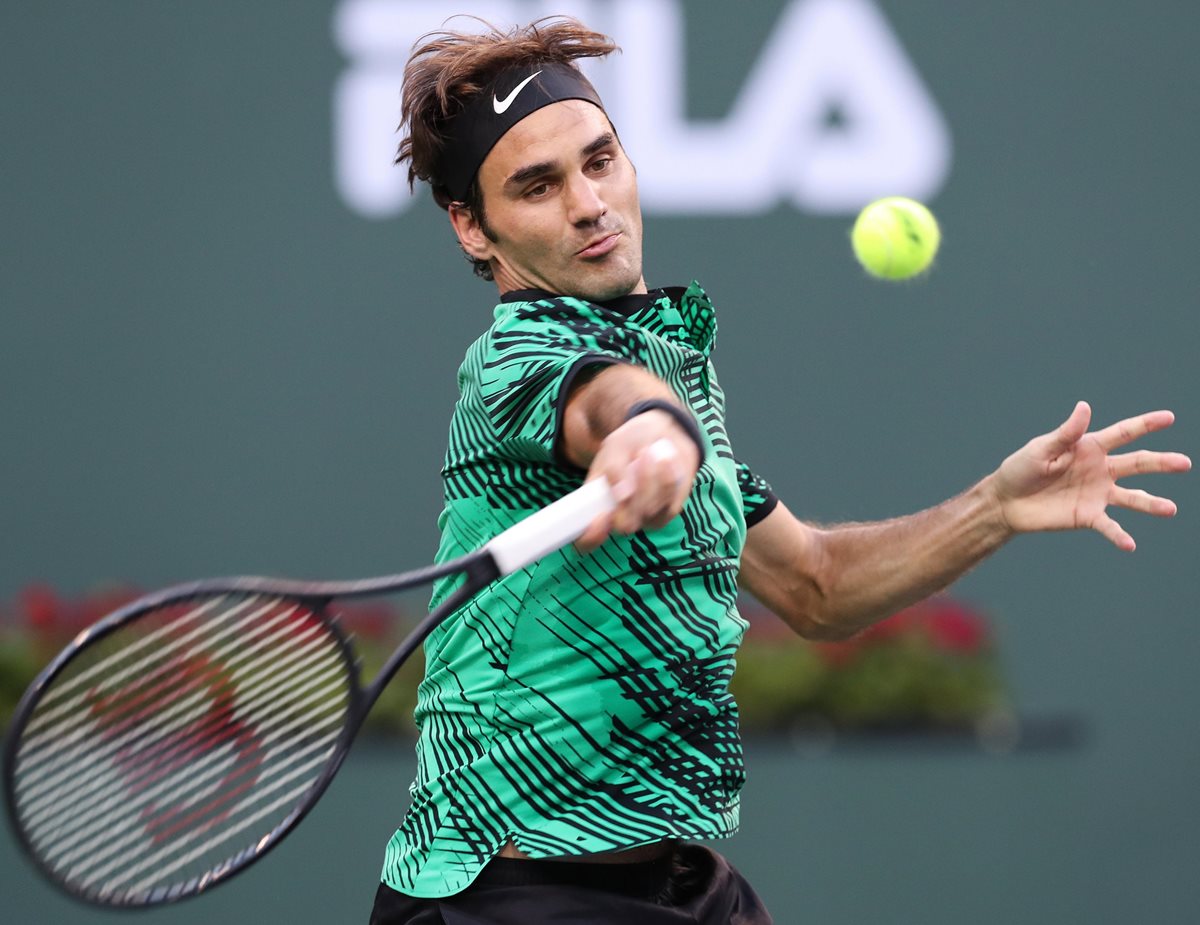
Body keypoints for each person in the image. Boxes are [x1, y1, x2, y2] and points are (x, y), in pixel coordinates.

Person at [371, 17, 1190, 925]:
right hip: (512, 897)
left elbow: (815, 583)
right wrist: (649, 431)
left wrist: (995, 506)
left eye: (600, 161)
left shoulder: (671, 361)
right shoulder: (516, 365)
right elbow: (612, 401)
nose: (589, 203)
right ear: (472, 228)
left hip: (676, 880)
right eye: (539, 186)